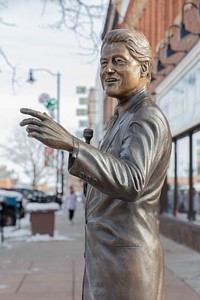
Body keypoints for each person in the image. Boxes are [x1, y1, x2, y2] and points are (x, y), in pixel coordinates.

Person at [20, 28, 172, 300]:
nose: (108, 70)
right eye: (104, 63)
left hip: (127, 265)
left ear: (145, 67)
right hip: (107, 259)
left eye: (119, 61)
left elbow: (132, 181)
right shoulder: (119, 119)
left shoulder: (145, 117)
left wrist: (73, 144)